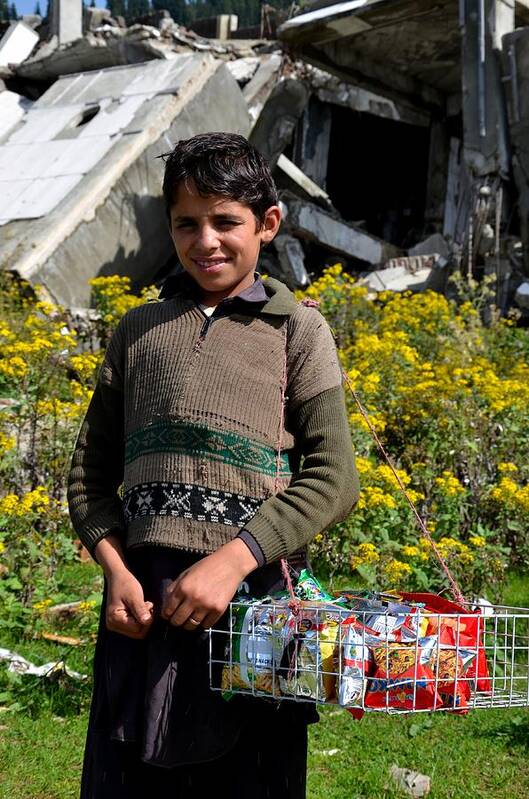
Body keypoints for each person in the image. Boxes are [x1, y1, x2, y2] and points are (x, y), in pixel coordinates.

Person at [67, 132, 359, 799]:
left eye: (225, 221)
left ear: (267, 224)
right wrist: (115, 571)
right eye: (186, 223)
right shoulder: (138, 330)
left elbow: (333, 477)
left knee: (247, 778)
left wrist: (230, 560)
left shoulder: (296, 330)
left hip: (253, 608)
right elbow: (88, 478)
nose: (206, 241)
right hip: (141, 609)